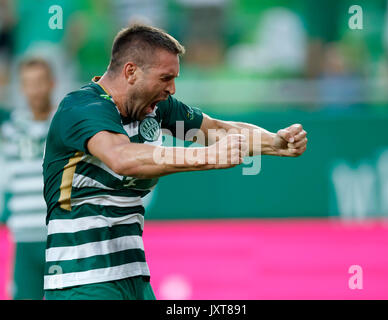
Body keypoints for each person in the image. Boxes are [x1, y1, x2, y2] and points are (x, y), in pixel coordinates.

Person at [42, 24, 308, 300]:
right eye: (165, 78)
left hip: (134, 279)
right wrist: (207, 156)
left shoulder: (155, 109)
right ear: (131, 72)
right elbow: (121, 158)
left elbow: (216, 129)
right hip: (81, 281)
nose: (172, 88)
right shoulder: (81, 108)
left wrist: (274, 143)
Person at [0, 58, 55, 299]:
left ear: (51, 84)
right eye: (28, 84)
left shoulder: (64, 126)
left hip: (59, 239)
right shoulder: (10, 132)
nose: (34, 90)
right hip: (23, 238)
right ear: (21, 87)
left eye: (39, 82)